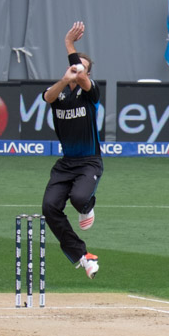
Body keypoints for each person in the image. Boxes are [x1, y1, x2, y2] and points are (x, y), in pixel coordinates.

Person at [42, 22, 103, 279]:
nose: (78, 71)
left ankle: (87, 205)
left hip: (89, 162)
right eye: (75, 67)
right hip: (66, 164)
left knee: (79, 199)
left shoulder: (91, 94)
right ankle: (82, 255)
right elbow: (48, 97)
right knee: (49, 207)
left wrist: (69, 45)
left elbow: (83, 79)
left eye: (83, 70)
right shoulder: (59, 94)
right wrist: (64, 79)